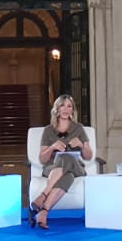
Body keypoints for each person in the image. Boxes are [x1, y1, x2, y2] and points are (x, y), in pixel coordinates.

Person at [29, 94, 93, 228]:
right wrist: (52, 147)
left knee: (67, 157)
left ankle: (43, 194)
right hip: (52, 168)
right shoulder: (48, 130)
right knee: (68, 176)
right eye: (62, 105)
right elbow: (42, 158)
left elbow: (88, 156)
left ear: (72, 110)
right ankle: (44, 212)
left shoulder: (78, 128)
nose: (65, 109)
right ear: (57, 109)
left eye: (69, 106)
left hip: (77, 168)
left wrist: (81, 145)